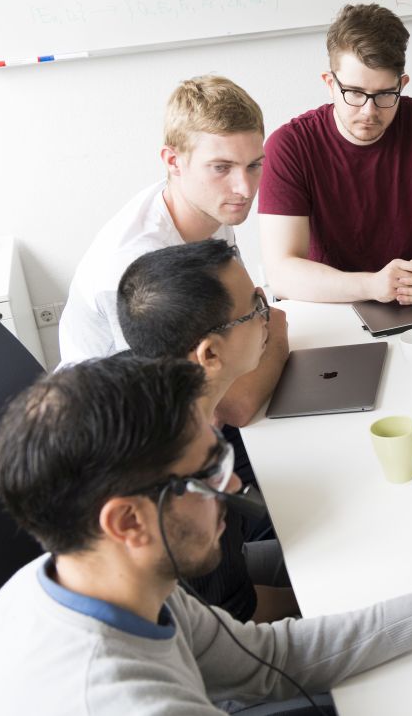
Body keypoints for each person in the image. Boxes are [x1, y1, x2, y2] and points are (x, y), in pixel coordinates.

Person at [0, 355, 412, 715]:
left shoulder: (86, 579)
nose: (233, 482)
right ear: (128, 522)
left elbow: (269, 660)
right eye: (207, 472)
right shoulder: (122, 702)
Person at [57, 75, 288, 430]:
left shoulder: (208, 204)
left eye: (254, 165)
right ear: (173, 161)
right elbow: (230, 408)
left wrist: (264, 332)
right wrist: (277, 332)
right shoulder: (136, 267)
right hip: (122, 440)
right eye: (221, 168)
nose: (244, 188)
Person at [259, 2, 412, 305]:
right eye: (354, 93)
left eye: (384, 95)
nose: (369, 111)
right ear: (330, 84)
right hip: (331, 308)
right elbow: (281, 272)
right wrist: (371, 286)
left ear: (402, 85)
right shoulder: (289, 146)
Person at [117, 239, 296, 623]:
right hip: (218, 650)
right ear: (210, 354)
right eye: (257, 308)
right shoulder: (189, 490)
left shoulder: (138, 381)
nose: (269, 315)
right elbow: (238, 618)